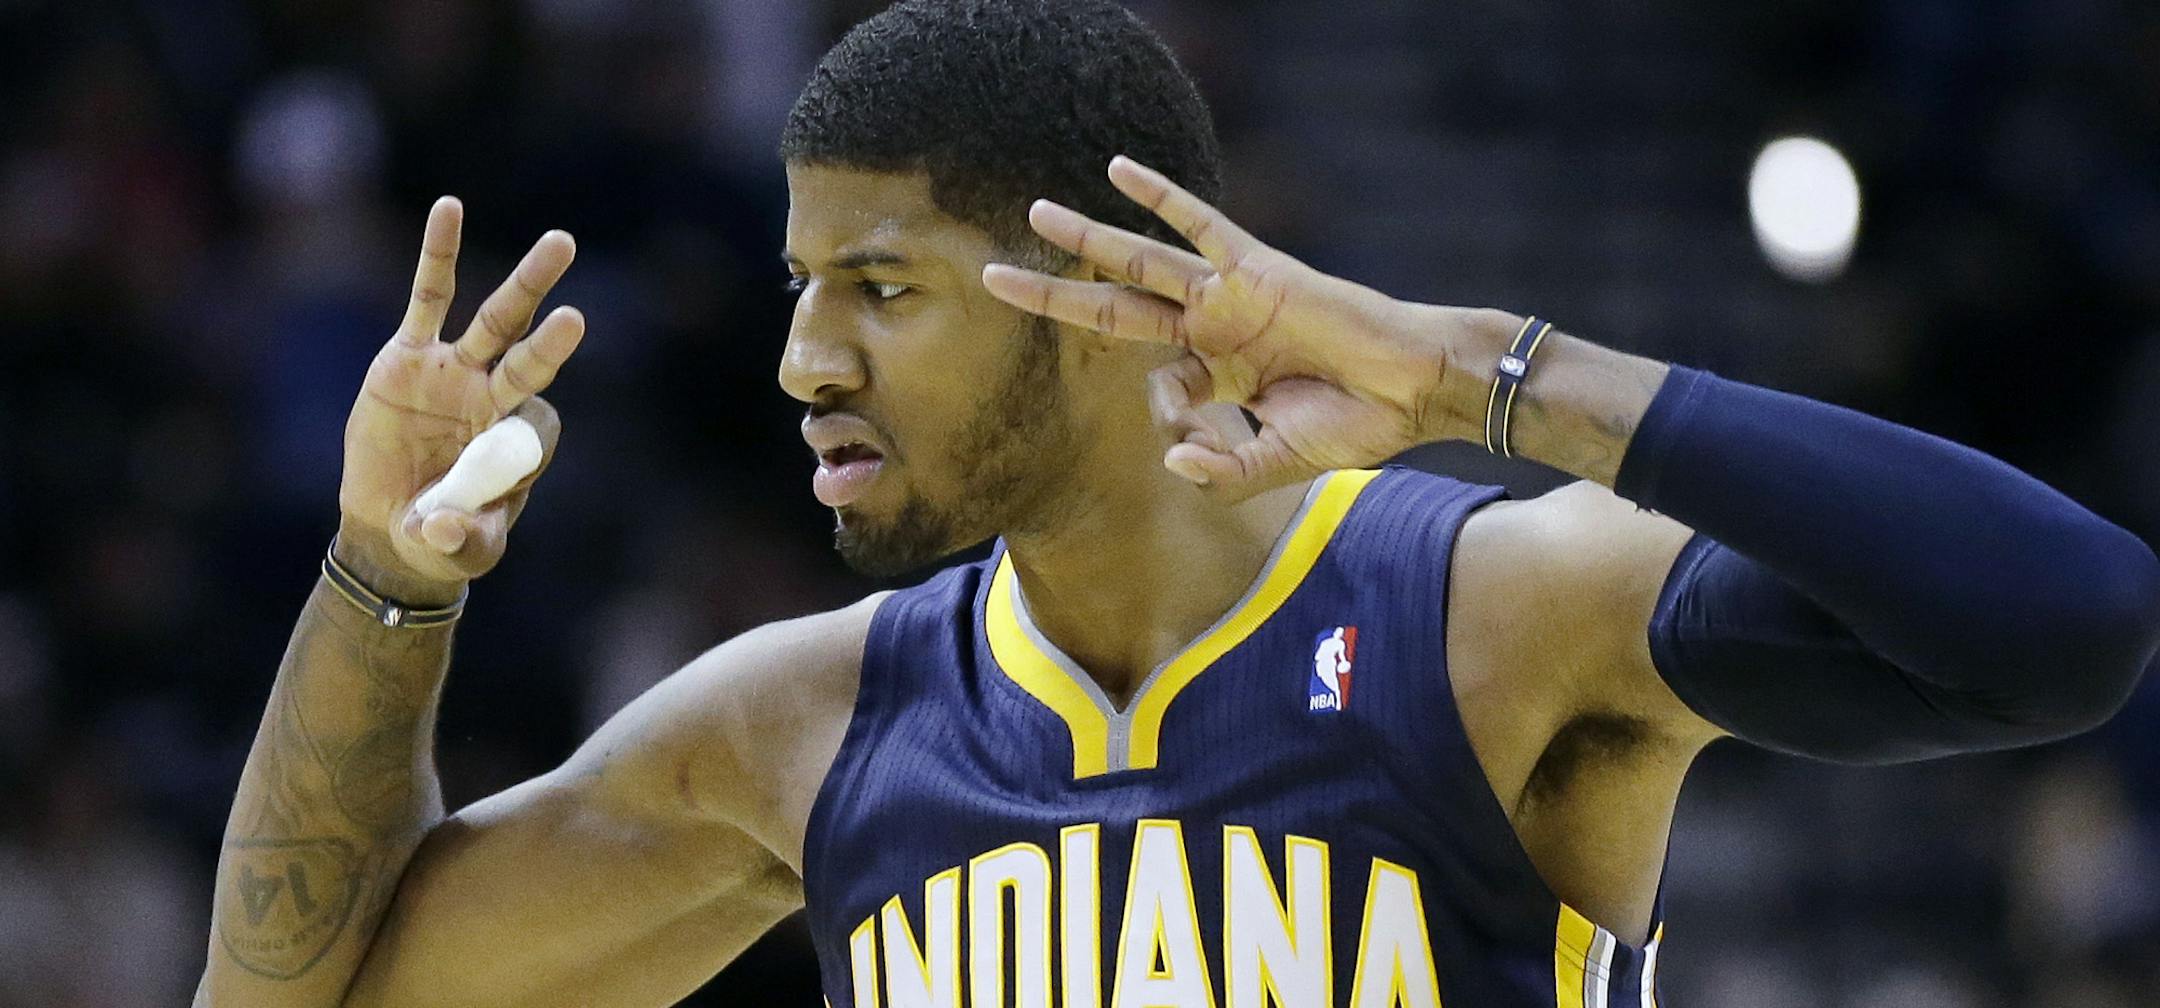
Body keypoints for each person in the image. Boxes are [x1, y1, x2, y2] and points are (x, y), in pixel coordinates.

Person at [195, 2, 2160, 1006]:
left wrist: (1483, 368)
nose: (801, 361)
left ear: (1111, 296)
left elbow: (2062, 621)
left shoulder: (1485, 613)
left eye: (878, 290)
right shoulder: (794, 727)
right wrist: (382, 578)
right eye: (802, 292)